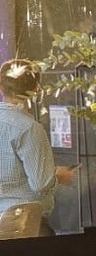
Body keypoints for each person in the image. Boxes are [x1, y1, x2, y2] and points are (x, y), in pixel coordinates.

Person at [0, 59, 60, 234]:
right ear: (36, 89)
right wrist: (57, 176)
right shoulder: (29, 128)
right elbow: (41, 184)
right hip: (23, 225)